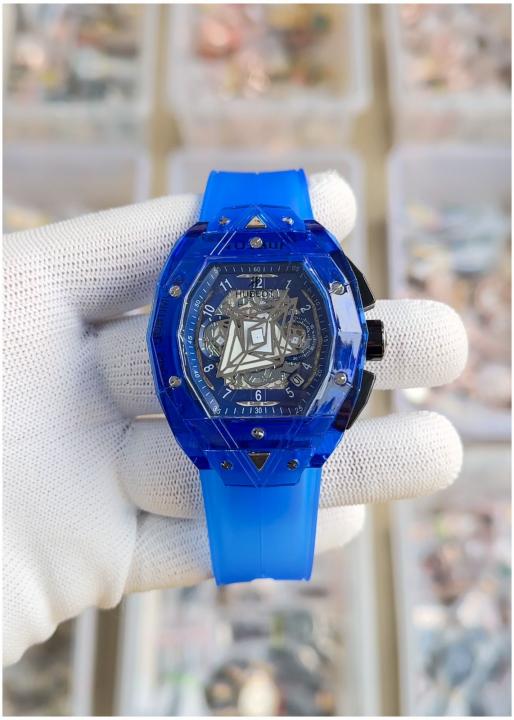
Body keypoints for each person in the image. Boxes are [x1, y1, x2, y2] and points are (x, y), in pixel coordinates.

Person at [3, 171, 468, 666]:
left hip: (233, 415)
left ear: (360, 342)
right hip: (231, 423)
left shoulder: (250, 306)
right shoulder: (287, 317)